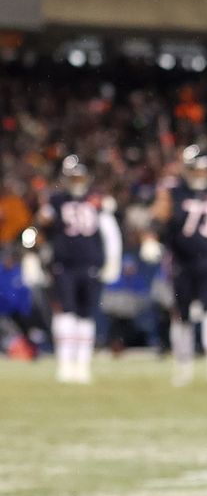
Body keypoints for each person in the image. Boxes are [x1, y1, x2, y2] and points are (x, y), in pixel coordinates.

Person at [153, 146, 207, 386]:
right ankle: (183, 366)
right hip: (181, 261)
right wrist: (152, 240)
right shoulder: (172, 191)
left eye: (203, 169)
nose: (200, 174)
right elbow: (158, 219)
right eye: (195, 169)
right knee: (182, 316)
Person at [38, 156, 120, 384]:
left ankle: (82, 365)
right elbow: (42, 227)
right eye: (73, 177)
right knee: (66, 313)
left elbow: (110, 232)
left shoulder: (97, 201)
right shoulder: (55, 201)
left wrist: (112, 260)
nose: (77, 181)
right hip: (64, 265)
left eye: (80, 176)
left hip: (90, 265)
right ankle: (65, 363)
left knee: (85, 315)